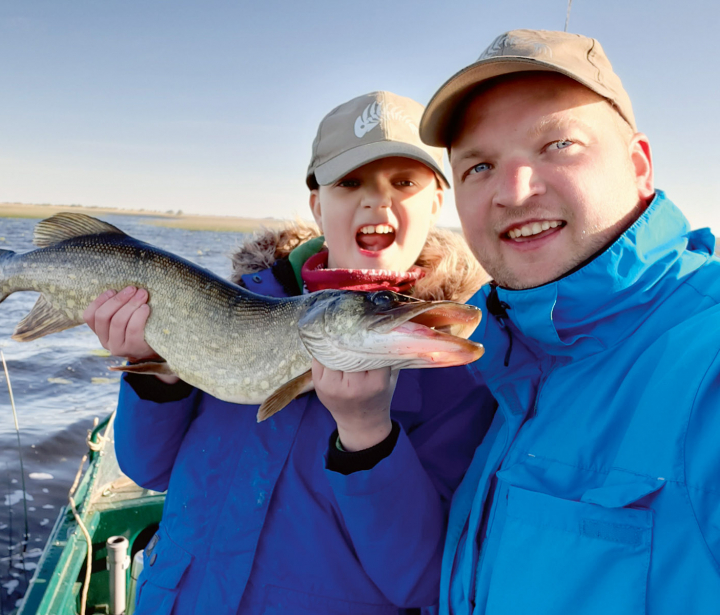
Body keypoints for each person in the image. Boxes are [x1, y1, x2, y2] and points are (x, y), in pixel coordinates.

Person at [328, 29, 720, 613]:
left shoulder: (705, 358)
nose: (513, 191)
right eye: (480, 165)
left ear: (639, 165)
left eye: (558, 145)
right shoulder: (509, 363)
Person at [83, 91, 496, 614]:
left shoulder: (452, 373)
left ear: (437, 202)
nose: (377, 201)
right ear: (318, 206)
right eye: (350, 182)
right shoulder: (240, 305)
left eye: (404, 182)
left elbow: (422, 581)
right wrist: (152, 372)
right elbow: (151, 469)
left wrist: (368, 437)